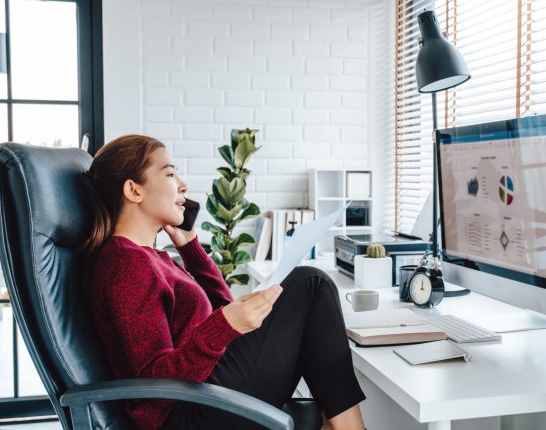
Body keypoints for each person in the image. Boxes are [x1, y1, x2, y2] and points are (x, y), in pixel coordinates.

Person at [82, 135, 366, 430]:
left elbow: (222, 309)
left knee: (309, 287)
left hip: (200, 392)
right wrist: (222, 327)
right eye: (169, 173)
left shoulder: (149, 256)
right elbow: (153, 383)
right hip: (186, 414)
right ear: (133, 190)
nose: (182, 185)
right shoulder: (125, 264)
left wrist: (192, 250)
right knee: (310, 284)